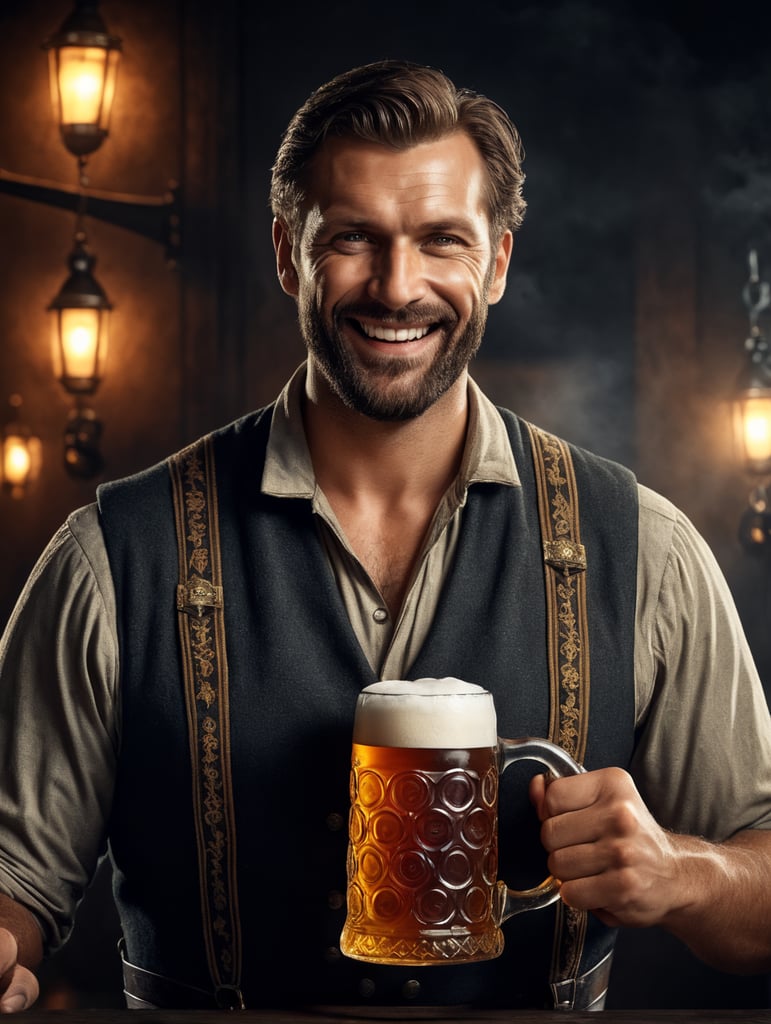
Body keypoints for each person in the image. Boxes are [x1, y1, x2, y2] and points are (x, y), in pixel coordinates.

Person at [1, 58, 771, 1014]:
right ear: (288, 253)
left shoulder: (641, 548)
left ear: (494, 261)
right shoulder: (110, 558)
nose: (397, 286)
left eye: (441, 240)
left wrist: (682, 872)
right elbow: (13, 881)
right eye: (353, 239)